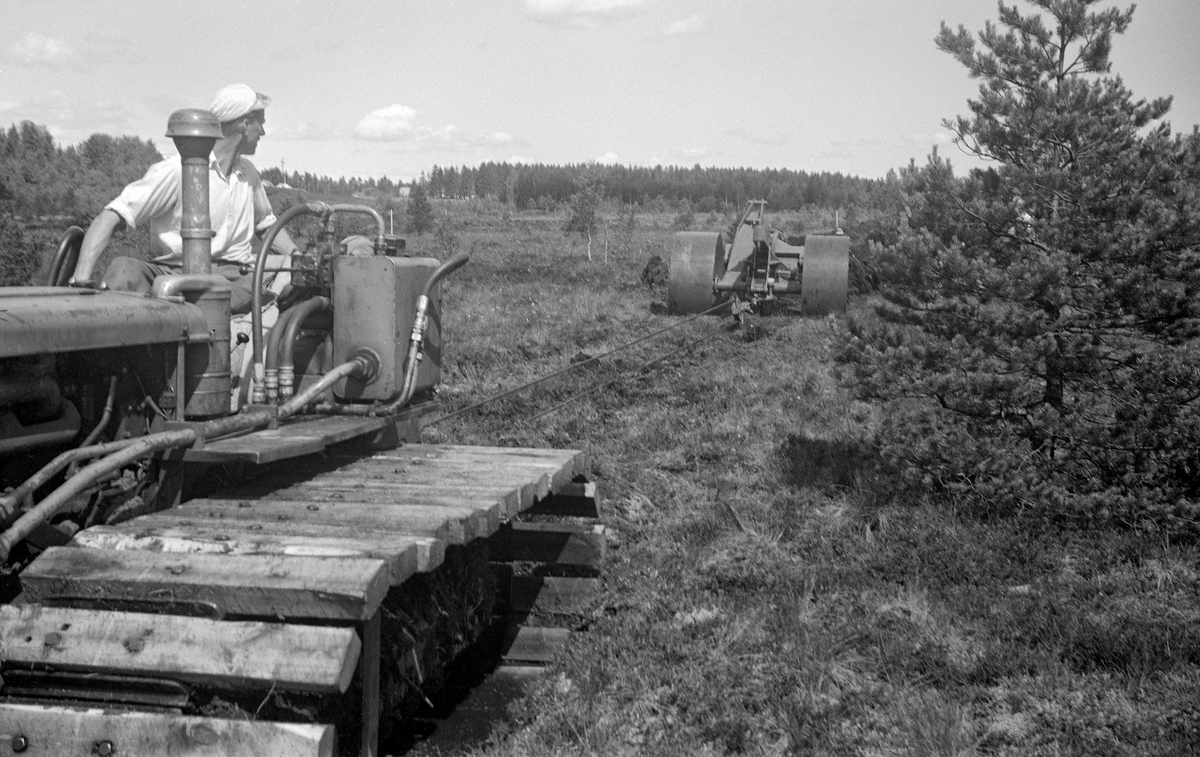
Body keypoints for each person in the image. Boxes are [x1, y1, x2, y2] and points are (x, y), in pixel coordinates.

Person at [70, 83, 299, 315]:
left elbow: (266, 224)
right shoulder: (176, 170)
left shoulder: (248, 173)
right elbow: (112, 215)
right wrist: (80, 280)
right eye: (261, 122)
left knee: (276, 286)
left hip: (234, 279)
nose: (263, 131)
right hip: (171, 274)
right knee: (123, 269)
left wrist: (298, 258)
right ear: (245, 123)